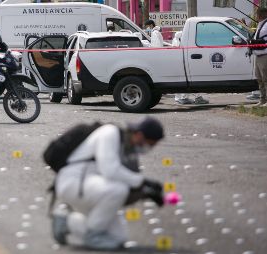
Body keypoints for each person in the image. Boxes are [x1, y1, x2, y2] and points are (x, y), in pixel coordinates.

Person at [52, 117, 165, 250]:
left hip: (93, 188)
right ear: (139, 135)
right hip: (74, 183)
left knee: (118, 238)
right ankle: (93, 235)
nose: (149, 148)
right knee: (118, 190)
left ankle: (67, 221)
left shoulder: (128, 148)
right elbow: (110, 171)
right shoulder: (110, 133)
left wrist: (145, 192)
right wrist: (143, 182)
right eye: (150, 144)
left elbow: (128, 184)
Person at [171, 31, 209, 105]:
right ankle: (195, 98)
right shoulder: (182, 41)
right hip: (185, 65)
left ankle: (183, 98)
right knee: (191, 80)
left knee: (182, 82)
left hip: (180, 65)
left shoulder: (176, 41)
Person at [253, 7, 267, 107]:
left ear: (261, 15)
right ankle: (262, 100)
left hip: (264, 55)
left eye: (256, 14)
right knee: (259, 79)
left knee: (266, 78)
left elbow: (262, 38)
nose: (255, 16)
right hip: (258, 55)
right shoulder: (260, 24)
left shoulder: (266, 25)